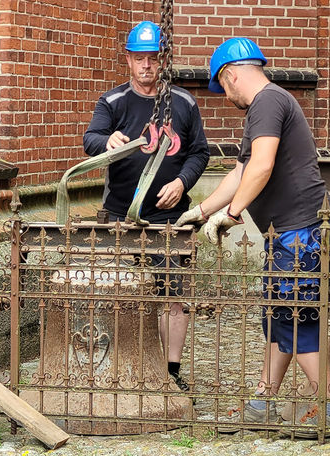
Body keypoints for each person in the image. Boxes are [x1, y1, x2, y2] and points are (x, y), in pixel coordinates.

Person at [175, 37, 330, 438]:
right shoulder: (266, 107)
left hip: (301, 232)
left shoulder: (267, 102)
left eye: (224, 87)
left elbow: (262, 166)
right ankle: (262, 402)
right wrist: (200, 212)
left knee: (295, 318)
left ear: (230, 74)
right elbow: (239, 172)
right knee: (280, 316)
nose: (226, 95)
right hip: (291, 232)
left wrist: (231, 215)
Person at [82, 21, 210, 392]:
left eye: (153, 59)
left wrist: (182, 182)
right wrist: (107, 141)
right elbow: (90, 138)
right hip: (121, 213)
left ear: (163, 61)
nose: (146, 66)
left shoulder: (183, 102)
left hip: (168, 217)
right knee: (118, 294)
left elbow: (199, 152)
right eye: (140, 59)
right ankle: (118, 365)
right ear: (128, 60)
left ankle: (170, 372)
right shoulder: (113, 102)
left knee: (172, 297)